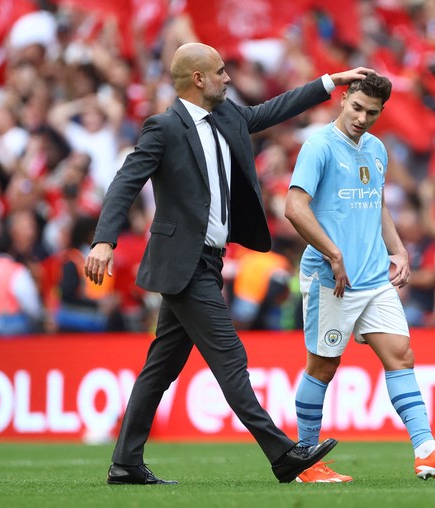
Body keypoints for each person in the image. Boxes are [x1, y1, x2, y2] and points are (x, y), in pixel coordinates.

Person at [83, 42, 372, 485]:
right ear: (198, 79)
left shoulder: (228, 116)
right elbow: (126, 181)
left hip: (209, 263)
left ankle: (125, 463)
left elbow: (272, 110)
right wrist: (104, 241)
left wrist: (330, 83)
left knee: (159, 368)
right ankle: (282, 454)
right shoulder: (163, 128)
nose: (229, 77)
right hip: (184, 264)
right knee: (230, 357)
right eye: (220, 72)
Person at [284, 73, 435, 483]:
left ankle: (426, 450)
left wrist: (398, 248)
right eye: (356, 108)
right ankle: (305, 461)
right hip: (330, 277)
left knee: (401, 355)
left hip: (374, 276)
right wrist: (333, 253)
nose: (361, 118)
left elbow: (376, 203)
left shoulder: (376, 149)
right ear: (343, 100)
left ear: (381, 113)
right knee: (322, 368)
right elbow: (294, 208)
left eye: (371, 113)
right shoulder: (319, 146)